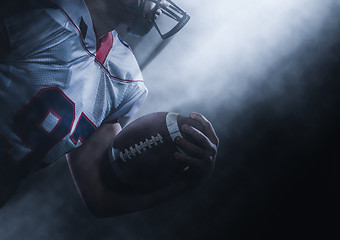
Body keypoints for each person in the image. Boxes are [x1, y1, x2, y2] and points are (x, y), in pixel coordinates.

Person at [0, 0, 219, 217]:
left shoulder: (125, 78)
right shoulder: (40, 13)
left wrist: (183, 183)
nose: (161, 6)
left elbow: (99, 194)